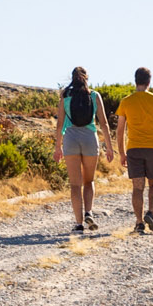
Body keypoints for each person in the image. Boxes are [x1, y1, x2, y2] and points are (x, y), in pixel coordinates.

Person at [113, 66, 153, 234]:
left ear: (135, 81)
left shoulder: (126, 101)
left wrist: (121, 152)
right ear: (149, 81)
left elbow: (120, 130)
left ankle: (139, 222)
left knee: (137, 187)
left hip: (134, 149)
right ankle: (151, 213)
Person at [57, 64, 114, 235]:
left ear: (72, 78)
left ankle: (79, 224)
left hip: (71, 139)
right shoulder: (94, 95)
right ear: (86, 78)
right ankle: (89, 212)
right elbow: (103, 123)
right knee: (89, 181)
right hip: (90, 138)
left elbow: (60, 124)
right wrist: (109, 147)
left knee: (75, 185)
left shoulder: (65, 96)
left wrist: (57, 147)